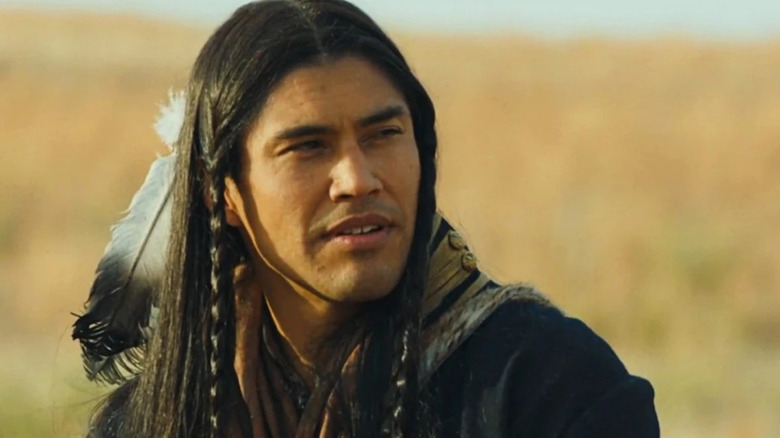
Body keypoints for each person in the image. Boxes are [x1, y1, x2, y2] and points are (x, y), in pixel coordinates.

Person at [72, 1, 660, 437]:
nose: (358, 178)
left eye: (383, 135)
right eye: (308, 147)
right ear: (219, 191)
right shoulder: (155, 420)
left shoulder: (550, 385)